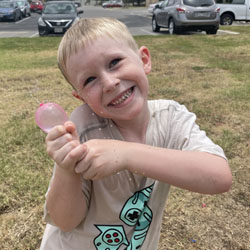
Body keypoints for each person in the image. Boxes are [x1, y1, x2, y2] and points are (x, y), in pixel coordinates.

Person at [40, 18, 232, 250]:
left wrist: (126, 154)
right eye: (90, 80)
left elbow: (219, 177)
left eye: (114, 62)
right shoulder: (82, 128)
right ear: (81, 98)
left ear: (144, 60)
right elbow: (64, 220)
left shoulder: (171, 117)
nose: (110, 83)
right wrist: (66, 168)